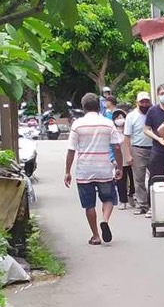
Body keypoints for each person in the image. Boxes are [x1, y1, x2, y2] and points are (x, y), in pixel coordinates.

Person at [64, 92, 123, 246]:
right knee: (108, 198)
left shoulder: (77, 124)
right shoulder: (108, 123)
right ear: (99, 107)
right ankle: (105, 220)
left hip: (84, 171)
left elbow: (71, 150)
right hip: (104, 169)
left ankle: (96, 235)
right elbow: (117, 147)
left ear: (83, 107)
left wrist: (67, 171)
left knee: (89, 204)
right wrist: (119, 167)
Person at [144, 85, 164, 199]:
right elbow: (146, 129)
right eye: (162, 94)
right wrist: (158, 138)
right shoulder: (153, 111)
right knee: (155, 178)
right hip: (158, 150)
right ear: (158, 95)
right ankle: (152, 203)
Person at [124, 90, 152, 210]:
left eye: (146, 101)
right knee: (139, 178)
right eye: (142, 102)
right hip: (138, 149)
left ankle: (153, 203)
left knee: (155, 177)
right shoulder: (131, 116)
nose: (144, 104)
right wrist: (128, 155)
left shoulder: (153, 113)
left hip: (153, 148)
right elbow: (127, 136)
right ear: (137, 102)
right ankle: (142, 204)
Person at [112, 108, 133, 207]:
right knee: (121, 180)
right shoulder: (113, 132)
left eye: (121, 117)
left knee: (133, 179)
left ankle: (132, 195)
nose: (120, 119)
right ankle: (123, 200)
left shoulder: (129, 130)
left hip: (131, 157)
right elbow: (110, 147)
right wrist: (113, 159)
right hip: (119, 159)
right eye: (117, 118)